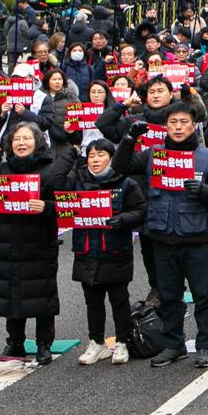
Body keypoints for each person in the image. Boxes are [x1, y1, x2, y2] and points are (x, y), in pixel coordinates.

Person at [114, 101, 208, 369]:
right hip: (162, 237)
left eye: (184, 122)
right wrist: (130, 138)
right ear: (165, 126)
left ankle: (204, 345)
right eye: (173, 123)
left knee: (202, 295)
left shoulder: (207, 157)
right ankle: (174, 344)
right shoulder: (153, 155)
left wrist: (203, 190)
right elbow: (121, 166)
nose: (178, 127)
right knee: (168, 296)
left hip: (196, 238)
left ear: (193, 126)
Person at [0, 120, 74, 364]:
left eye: (26, 138)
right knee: (11, 294)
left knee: (42, 294)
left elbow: (68, 204)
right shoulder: (1, 170)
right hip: (7, 245)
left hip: (39, 244)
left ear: (38, 142)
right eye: (16, 139)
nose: (21, 143)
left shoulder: (49, 170)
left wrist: (46, 207)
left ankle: (44, 343)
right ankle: (15, 342)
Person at [65, 139, 146, 366]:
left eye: (101, 155)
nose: (95, 160)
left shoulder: (125, 183)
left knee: (119, 299)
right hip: (86, 249)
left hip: (115, 249)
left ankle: (122, 341)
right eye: (91, 155)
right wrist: (70, 156)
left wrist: (122, 220)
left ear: (111, 158)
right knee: (92, 301)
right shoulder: (77, 181)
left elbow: (140, 210)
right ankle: (96, 343)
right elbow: (55, 186)